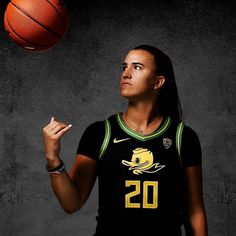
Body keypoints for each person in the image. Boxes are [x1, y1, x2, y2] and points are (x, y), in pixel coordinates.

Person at [43, 45, 208, 235]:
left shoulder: (182, 137)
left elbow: (194, 210)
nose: (126, 74)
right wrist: (53, 159)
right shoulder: (100, 133)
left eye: (137, 67)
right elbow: (71, 203)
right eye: (124, 67)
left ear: (157, 82)